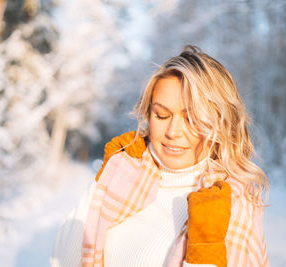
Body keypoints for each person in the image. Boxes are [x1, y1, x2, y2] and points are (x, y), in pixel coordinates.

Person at [50, 45, 269, 267]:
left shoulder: (229, 202)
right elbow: (63, 260)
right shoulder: (121, 171)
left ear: (218, 122)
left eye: (191, 119)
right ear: (148, 115)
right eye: (162, 115)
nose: (173, 132)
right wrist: (104, 179)